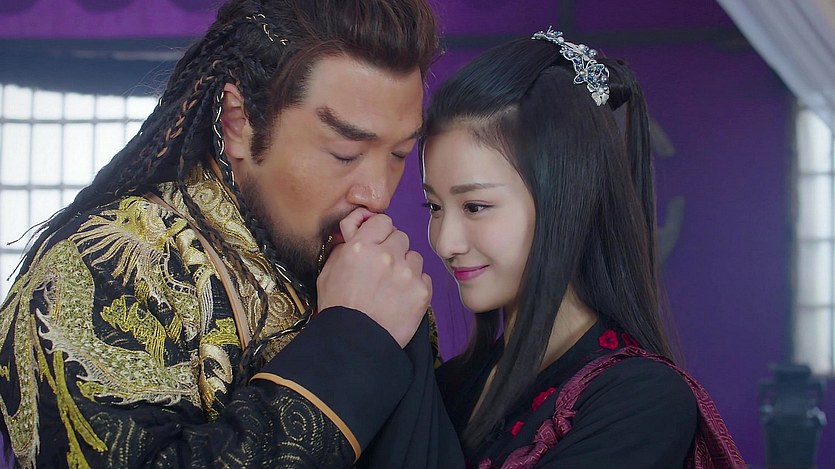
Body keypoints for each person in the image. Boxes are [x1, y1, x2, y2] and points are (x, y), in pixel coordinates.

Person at [0, 0, 463, 467]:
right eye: (345, 153)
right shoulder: (95, 269)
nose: (378, 195)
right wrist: (353, 341)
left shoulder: (373, 274)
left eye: (400, 154)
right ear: (239, 122)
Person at [421, 29, 744, 467]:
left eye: (475, 206)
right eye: (434, 207)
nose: (445, 242)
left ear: (565, 201)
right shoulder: (454, 383)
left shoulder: (640, 400)